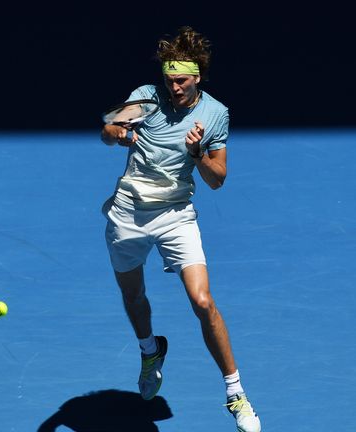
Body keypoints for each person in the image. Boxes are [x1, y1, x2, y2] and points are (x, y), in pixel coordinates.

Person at [100, 26, 261, 432]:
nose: (174, 88)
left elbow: (217, 179)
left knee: (203, 301)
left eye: (182, 81)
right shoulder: (144, 97)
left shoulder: (216, 114)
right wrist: (120, 134)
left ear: (197, 77)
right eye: (169, 80)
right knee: (133, 293)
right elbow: (107, 130)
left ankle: (236, 393)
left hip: (176, 215)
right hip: (128, 211)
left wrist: (198, 153)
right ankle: (150, 351)